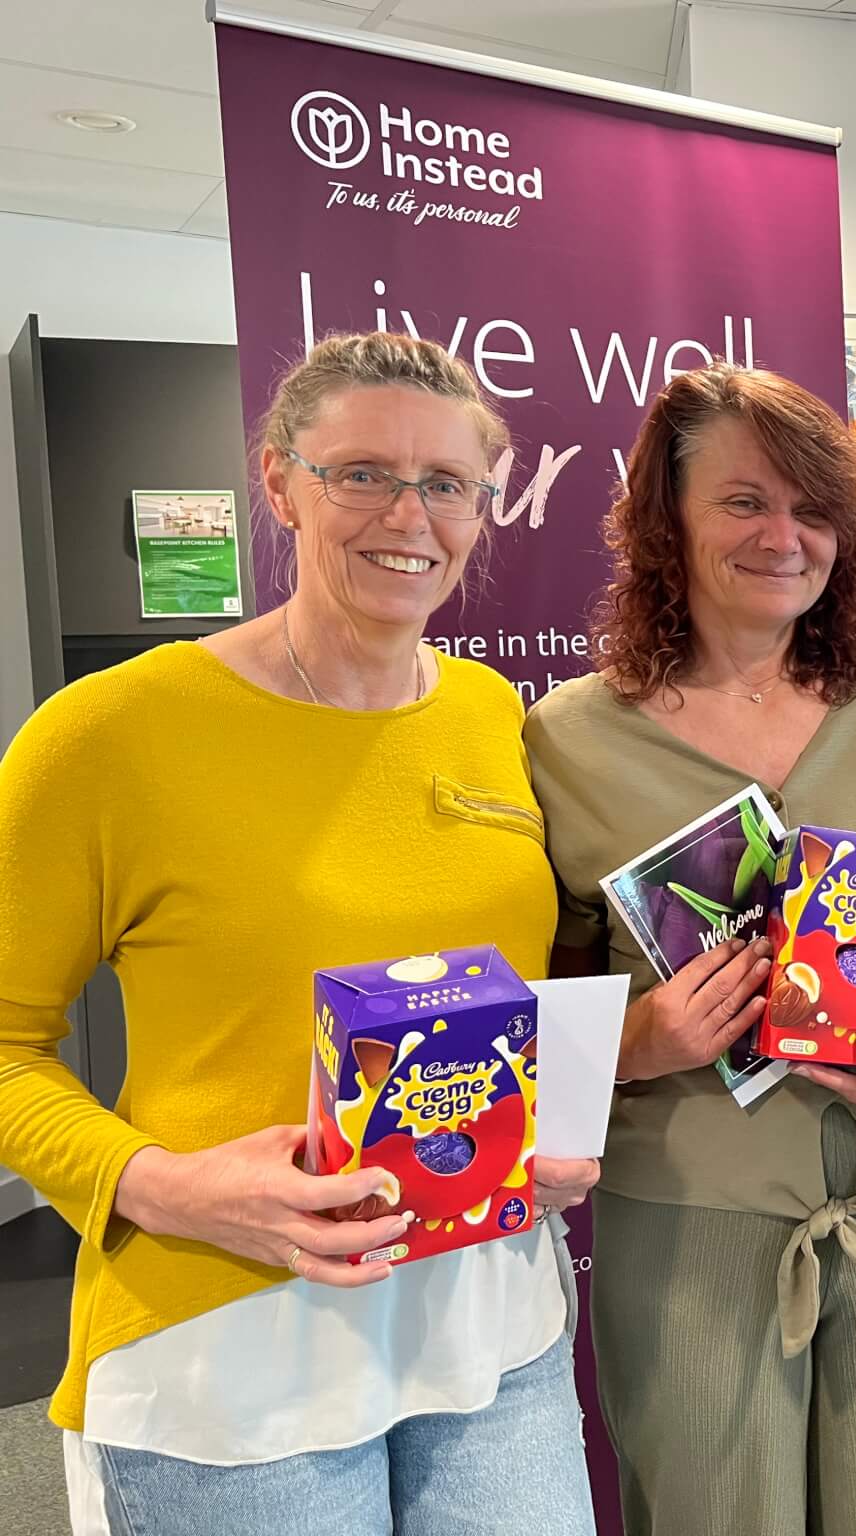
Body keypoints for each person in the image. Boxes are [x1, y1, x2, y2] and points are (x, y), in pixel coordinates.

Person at [0, 331, 600, 1536]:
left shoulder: (492, 715)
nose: (408, 514)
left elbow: (497, 1004)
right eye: (360, 473)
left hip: (489, 1329)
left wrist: (559, 1119)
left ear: (484, 505)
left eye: (446, 484)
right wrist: (163, 1187)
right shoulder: (109, 736)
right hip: (229, 1353)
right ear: (278, 482)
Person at [524, 364, 856, 1534]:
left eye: (812, 506)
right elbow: (541, 998)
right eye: (743, 501)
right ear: (665, 520)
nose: (783, 535)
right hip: (691, 1213)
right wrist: (639, 1040)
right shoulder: (568, 738)